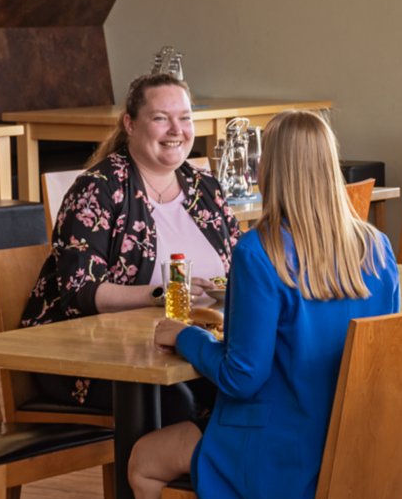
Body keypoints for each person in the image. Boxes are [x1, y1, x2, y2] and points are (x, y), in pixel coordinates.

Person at [125, 110, 402, 499]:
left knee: (145, 463)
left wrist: (190, 336)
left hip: (275, 454)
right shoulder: (377, 248)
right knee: (263, 472)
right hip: (346, 452)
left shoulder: (261, 251)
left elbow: (243, 377)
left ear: (271, 169)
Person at [24, 72, 241, 424]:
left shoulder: (205, 188)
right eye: (160, 118)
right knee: (181, 402)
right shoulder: (98, 190)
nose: (176, 130)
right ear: (130, 124)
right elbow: (79, 293)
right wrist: (160, 294)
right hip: (94, 358)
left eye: (184, 118)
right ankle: (154, 476)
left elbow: (241, 265)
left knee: (252, 383)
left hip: (184, 346)